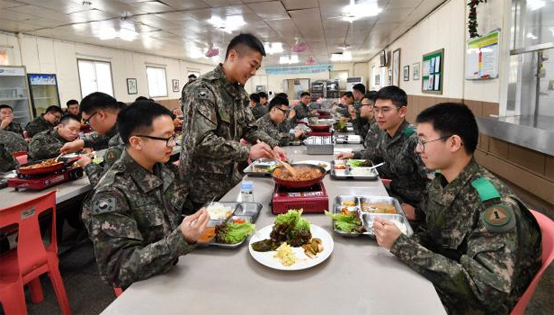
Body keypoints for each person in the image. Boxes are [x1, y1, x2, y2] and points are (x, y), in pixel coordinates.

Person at [373, 103, 542, 314]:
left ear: (454, 143)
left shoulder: (494, 206)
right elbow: (431, 234)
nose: (417, 149)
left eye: (424, 141)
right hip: (440, 280)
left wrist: (402, 247)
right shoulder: (442, 181)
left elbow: (486, 291)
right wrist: (397, 243)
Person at [82, 101, 209, 289]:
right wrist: (180, 240)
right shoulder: (112, 192)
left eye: (173, 136)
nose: (172, 144)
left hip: (178, 268)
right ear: (137, 142)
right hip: (148, 286)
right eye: (166, 138)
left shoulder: (163, 170)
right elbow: (117, 269)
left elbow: (180, 212)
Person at [180, 33, 287, 209]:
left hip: (230, 179)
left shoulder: (239, 93)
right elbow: (201, 141)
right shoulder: (202, 90)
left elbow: (250, 128)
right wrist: (248, 151)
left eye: (257, 68)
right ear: (232, 55)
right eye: (252, 65)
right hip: (202, 186)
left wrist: (272, 145)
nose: (253, 73)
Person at [338, 86, 429, 213]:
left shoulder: (414, 140)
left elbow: (434, 183)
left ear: (402, 111)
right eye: (376, 110)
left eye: (385, 110)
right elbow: (374, 153)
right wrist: (353, 154)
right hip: (394, 194)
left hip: (412, 205)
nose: (379, 115)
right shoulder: (386, 134)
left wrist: (419, 212)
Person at [64, 92, 124, 186]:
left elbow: (104, 184)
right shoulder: (129, 125)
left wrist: (87, 164)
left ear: (101, 115)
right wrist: (82, 142)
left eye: (87, 121)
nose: (90, 126)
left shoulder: (120, 141)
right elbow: (106, 135)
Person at [336, 94, 381, 159]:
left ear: (370, 107)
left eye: (361, 106)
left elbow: (374, 153)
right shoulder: (370, 122)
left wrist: (353, 154)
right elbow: (360, 134)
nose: (359, 108)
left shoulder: (378, 125)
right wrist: (354, 116)